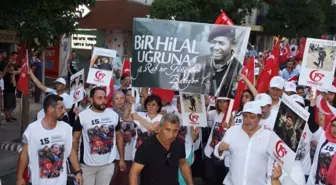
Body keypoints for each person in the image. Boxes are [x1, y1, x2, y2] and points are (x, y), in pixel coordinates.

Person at [16, 94, 83, 185]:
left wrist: (78, 172)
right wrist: (20, 177)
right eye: (60, 108)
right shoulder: (32, 129)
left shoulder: (66, 128)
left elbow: (71, 151)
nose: (64, 111)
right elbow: (24, 154)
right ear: (50, 108)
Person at [73, 87, 127, 185]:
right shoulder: (82, 116)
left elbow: (119, 137)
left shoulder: (113, 115)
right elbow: (75, 141)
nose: (103, 101)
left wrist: (122, 159)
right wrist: (76, 165)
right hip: (87, 165)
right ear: (91, 99)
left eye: (105, 98)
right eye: (99, 98)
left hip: (108, 164)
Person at [214, 101, 273, 185]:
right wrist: (220, 148)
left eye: (252, 117)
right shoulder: (232, 131)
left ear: (260, 118)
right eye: (245, 116)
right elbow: (218, 154)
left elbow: (271, 166)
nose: (247, 120)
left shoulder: (268, 136)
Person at [129, 113, 194, 185]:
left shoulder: (179, 143)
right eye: (167, 130)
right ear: (159, 128)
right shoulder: (147, 147)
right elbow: (134, 173)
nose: (171, 135)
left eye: (175, 131)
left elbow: (183, 163)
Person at [179, 26, 241, 98]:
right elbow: (180, 85)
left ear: (232, 45)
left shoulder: (238, 69)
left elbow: (236, 95)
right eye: (213, 42)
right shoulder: (197, 61)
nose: (216, 47)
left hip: (222, 106)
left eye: (221, 43)